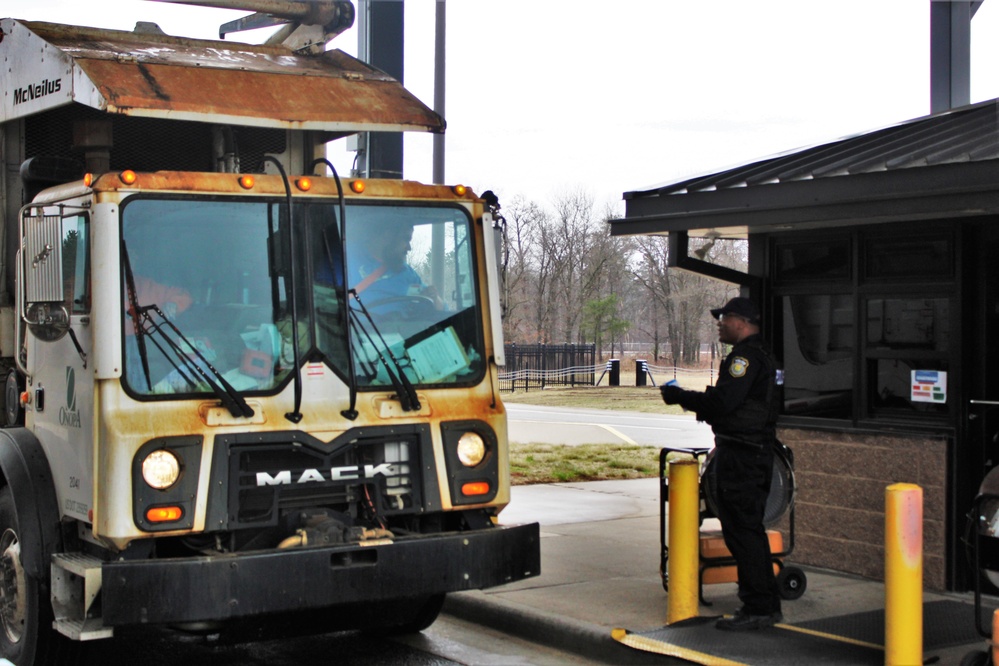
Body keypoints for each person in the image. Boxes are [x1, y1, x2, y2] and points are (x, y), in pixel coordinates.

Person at [660, 296, 782, 631]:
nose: (720, 323)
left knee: (743, 532)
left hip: (742, 456)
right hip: (754, 452)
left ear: (741, 321)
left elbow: (723, 403)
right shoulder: (765, 356)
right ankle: (762, 603)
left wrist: (679, 397)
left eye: (724, 317)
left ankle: (759, 608)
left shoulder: (743, 359)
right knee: (748, 530)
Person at [347, 222, 440, 308]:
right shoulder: (348, 258)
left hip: (403, 325)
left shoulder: (407, 273)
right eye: (406, 239)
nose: (409, 248)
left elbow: (439, 307)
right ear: (388, 236)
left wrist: (434, 297)